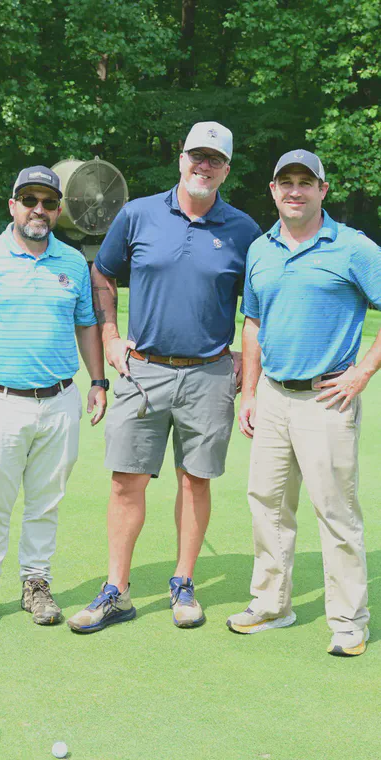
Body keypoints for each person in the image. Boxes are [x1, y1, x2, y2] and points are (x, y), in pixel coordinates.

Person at [67, 122, 262, 634]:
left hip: (210, 373)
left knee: (195, 481)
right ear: (181, 159)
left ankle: (183, 583)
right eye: (196, 156)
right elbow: (103, 273)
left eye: (214, 160)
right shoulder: (138, 214)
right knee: (126, 482)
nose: (203, 166)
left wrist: (246, 357)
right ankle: (117, 590)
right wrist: (110, 333)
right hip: (142, 370)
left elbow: (259, 306)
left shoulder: (243, 229)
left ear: (226, 169)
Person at [227, 149, 381, 656]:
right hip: (272, 395)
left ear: (322, 190)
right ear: (272, 190)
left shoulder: (353, 247)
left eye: (305, 182)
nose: (295, 190)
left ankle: (349, 619)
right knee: (267, 504)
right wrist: (249, 393)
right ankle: (272, 604)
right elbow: (252, 323)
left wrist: (360, 373)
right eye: (285, 181)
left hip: (326, 399)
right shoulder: (260, 249)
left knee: (335, 512)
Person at [0, 165, 108, 632]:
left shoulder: (73, 263)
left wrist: (98, 382)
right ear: (13, 204)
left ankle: (36, 582)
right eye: (30, 200)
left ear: (59, 210)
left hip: (60, 400)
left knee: (46, 500)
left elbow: (86, 326)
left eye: (49, 202)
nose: (40, 209)